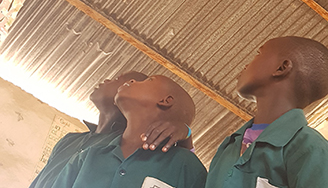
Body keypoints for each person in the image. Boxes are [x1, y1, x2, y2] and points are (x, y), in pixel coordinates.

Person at [30, 72, 192, 188]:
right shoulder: (77, 146)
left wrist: (186, 132)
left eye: (118, 79)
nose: (107, 79)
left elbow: (182, 166)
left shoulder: (135, 146)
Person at [205, 36, 328, 188]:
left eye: (258, 53)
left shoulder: (310, 149)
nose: (246, 65)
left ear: (281, 68)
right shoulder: (229, 146)